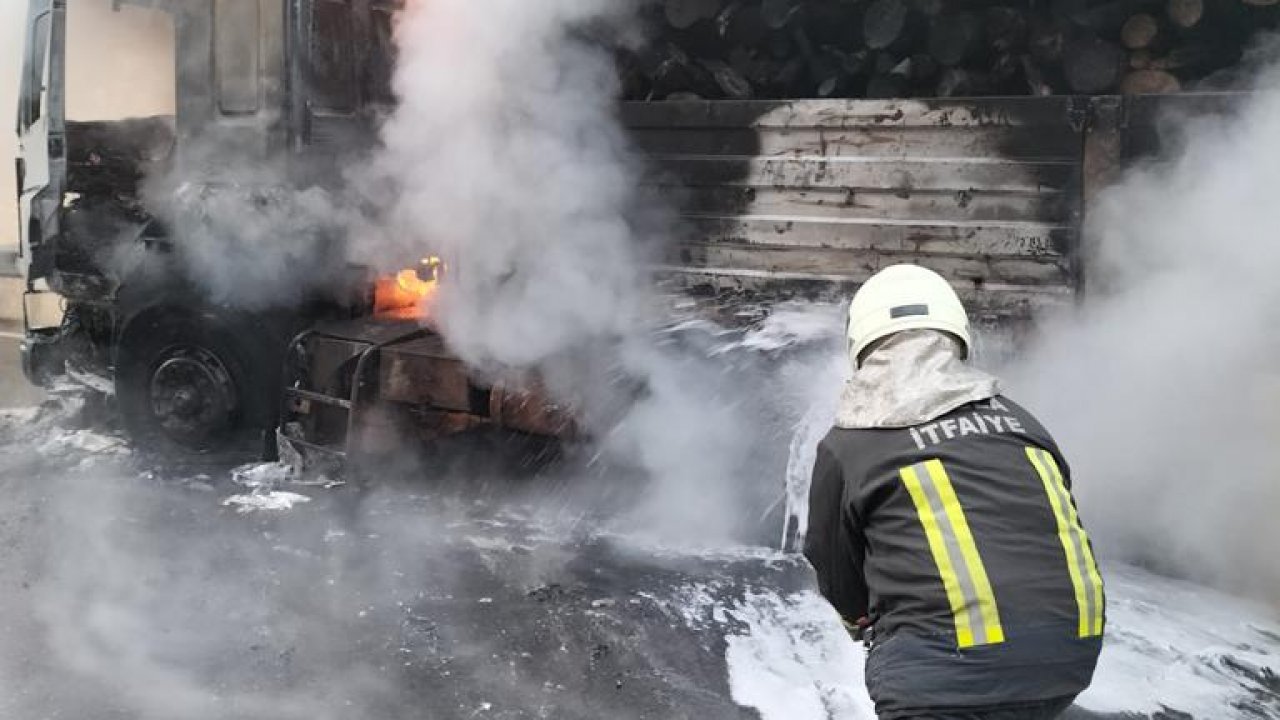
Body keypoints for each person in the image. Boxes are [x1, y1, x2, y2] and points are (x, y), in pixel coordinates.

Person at [804, 264, 1104, 720]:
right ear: (957, 337)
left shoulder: (851, 443)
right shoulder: (1023, 424)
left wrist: (859, 618)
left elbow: (832, 563)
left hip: (938, 682)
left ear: (862, 346)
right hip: (1070, 660)